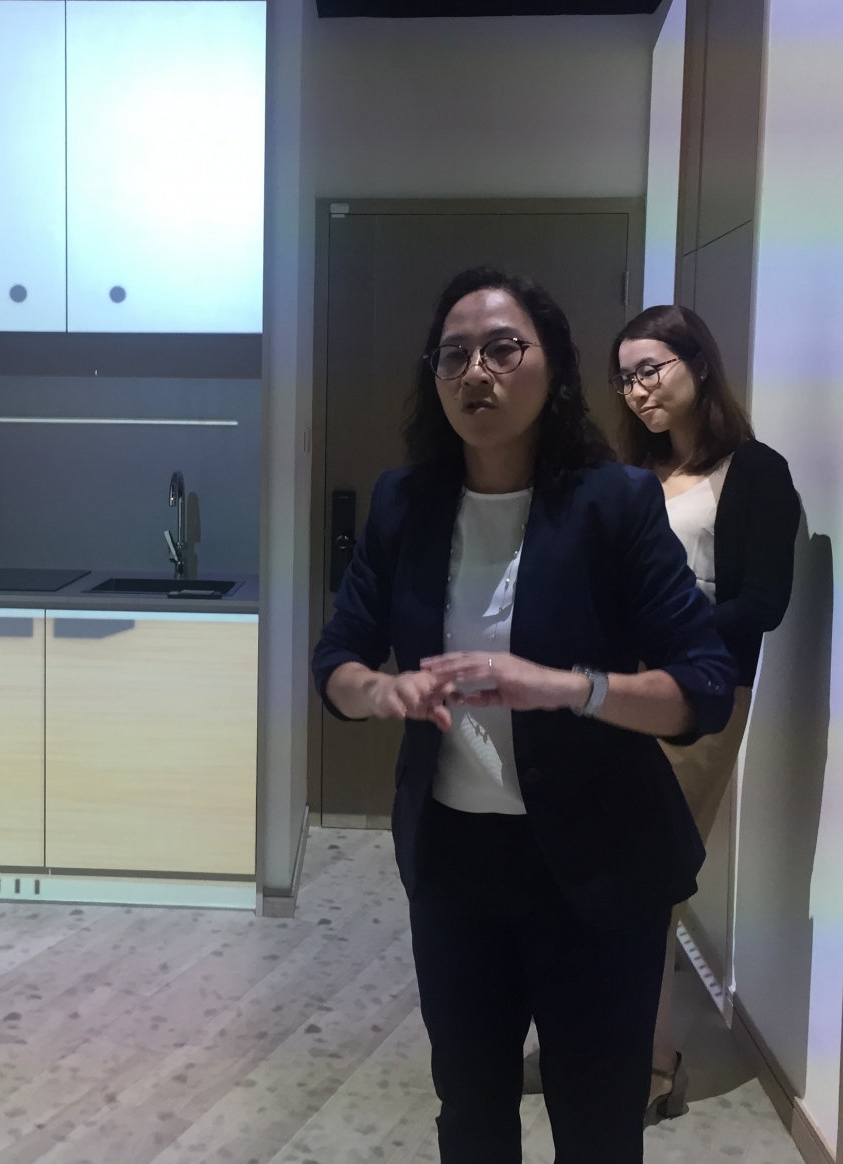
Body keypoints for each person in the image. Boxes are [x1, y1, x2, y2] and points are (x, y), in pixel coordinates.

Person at [312, 266, 736, 1163]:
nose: (477, 371)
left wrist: (571, 687)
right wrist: (379, 691)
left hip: (599, 866)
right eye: (454, 355)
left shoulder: (614, 503)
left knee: (597, 1129)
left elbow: (703, 685)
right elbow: (336, 659)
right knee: (470, 1117)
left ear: (553, 368)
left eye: (504, 349)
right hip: (457, 869)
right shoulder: (403, 504)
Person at [607, 303, 800, 1122]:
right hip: (617, 691)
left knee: (645, 876)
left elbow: (764, 602)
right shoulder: (636, 474)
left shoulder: (754, 471)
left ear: (699, 364)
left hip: (700, 694)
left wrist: (668, 631)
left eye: (651, 369)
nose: (638, 390)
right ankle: (602, 1043)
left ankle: (654, 1063)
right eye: (625, 378)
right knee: (597, 871)